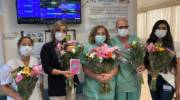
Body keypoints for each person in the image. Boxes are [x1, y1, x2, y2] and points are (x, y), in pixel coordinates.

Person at [40, 21, 79, 100]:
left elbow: (75, 62)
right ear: (53, 31)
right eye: (58, 30)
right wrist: (62, 73)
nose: (61, 33)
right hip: (56, 85)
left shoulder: (70, 45)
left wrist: (73, 72)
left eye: (64, 31)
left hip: (71, 82)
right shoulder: (47, 47)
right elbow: (46, 68)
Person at [144, 20, 180, 100]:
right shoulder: (150, 44)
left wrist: (178, 88)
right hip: (153, 79)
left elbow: (178, 68)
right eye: (158, 28)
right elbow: (146, 63)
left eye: (164, 28)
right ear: (154, 30)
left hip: (168, 80)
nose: (161, 30)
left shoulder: (176, 45)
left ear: (168, 31)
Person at [81, 25, 118, 100]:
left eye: (103, 34)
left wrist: (109, 76)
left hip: (108, 84)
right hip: (92, 87)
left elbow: (116, 67)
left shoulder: (111, 48)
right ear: (93, 35)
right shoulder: (87, 48)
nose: (100, 35)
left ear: (106, 36)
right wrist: (97, 77)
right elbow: (85, 68)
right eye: (98, 33)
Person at [111, 17, 144, 100]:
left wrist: (142, 65)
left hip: (134, 77)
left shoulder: (135, 39)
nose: (123, 29)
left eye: (126, 27)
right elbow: (108, 60)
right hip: (119, 78)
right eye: (121, 27)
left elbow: (142, 56)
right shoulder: (112, 41)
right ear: (116, 28)